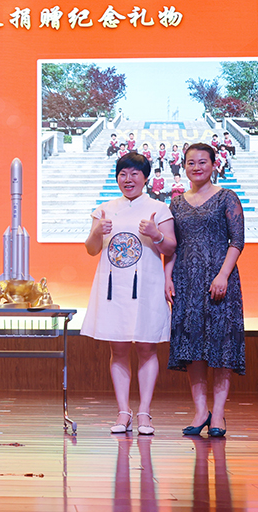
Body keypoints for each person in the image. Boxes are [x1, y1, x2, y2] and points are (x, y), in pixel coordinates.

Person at [81, 152, 177, 436]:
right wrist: (97, 232)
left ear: (146, 177)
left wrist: (156, 234)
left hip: (147, 285)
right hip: (113, 287)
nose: (128, 179)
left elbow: (171, 248)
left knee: (147, 347)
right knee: (118, 348)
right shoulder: (104, 209)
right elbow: (91, 250)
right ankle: (123, 411)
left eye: (135, 173)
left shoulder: (159, 209)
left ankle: (145, 412)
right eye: (123, 174)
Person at [164, 143, 245, 438]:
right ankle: (201, 411)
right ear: (183, 166)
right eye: (190, 162)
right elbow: (172, 247)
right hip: (186, 282)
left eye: (202, 162)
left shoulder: (227, 197)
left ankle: (219, 413)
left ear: (213, 164)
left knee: (221, 346)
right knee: (192, 347)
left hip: (220, 281)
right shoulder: (175, 203)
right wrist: (167, 277)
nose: (196, 167)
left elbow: (237, 240)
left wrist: (223, 275)